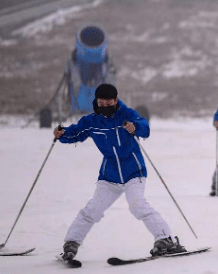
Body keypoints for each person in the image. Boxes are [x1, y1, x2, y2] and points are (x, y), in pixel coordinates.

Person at [54, 84, 186, 260]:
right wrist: (62, 134)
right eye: (102, 102)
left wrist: (135, 127)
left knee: (137, 205)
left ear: (116, 100)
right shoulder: (92, 121)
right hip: (110, 176)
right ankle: (71, 243)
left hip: (134, 171)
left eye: (109, 102)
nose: (106, 105)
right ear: (97, 101)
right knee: (92, 209)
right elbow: (75, 133)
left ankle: (166, 239)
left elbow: (144, 127)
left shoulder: (127, 115)